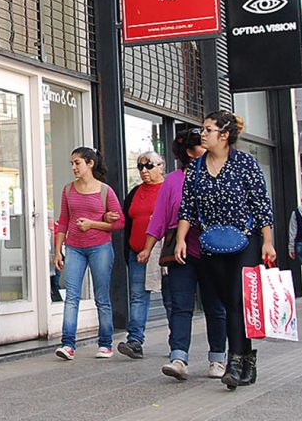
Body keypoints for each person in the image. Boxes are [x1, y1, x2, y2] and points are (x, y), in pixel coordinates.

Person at [174, 111, 275, 389]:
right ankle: (246, 361)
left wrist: (267, 241)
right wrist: (181, 239)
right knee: (227, 302)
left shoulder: (245, 163)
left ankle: (235, 362)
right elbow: (187, 207)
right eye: (202, 130)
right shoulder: (195, 168)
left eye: (208, 130)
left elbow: (261, 204)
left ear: (224, 134)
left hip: (246, 241)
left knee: (236, 299)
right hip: (210, 243)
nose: (202, 134)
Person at [143, 127, 228, 380]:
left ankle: (217, 359)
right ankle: (178, 357)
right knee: (180, 306)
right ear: (191, 152)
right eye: (202, 144)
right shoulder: (172, 180)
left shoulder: (219, 173)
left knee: (216, 306)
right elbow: (159, 217)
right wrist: (147, 248)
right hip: (181, 252)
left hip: (214, 250)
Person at [54, 147, 124, 360]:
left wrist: (93, 223)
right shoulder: (68, 190)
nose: (74, 167)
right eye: (72, 164)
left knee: (102, 297)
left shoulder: (105, 191)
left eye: (77, 163)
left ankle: (105, 343)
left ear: (90, 164)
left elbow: (119, 222)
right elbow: (63, 221)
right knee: (71, 297)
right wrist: (58, 250)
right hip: (74, 248)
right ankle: (68, 344)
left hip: (100, 248)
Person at [116, 151, 165, 359]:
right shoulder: (135, 192)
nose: (144, 171)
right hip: (137, 252)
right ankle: (135, 341)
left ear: (161, 166)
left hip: (163, 253)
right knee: (137, 296)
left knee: (171, 298)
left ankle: (178, 344)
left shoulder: (168, 189)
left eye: (149, 166)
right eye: (140, 167)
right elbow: (125, 220)